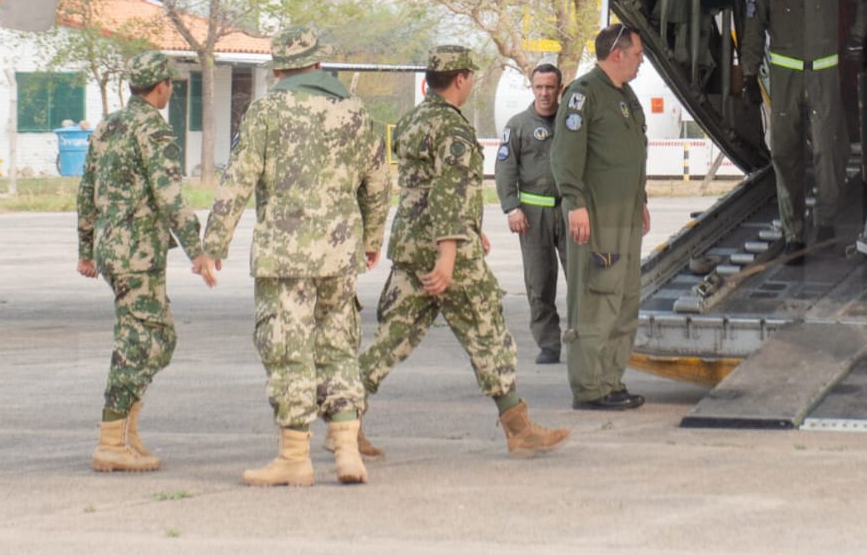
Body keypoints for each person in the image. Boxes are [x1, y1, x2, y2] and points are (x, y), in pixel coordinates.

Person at [357, 45, 568, 458]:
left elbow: (425, 188)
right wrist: (451, 251)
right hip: (445, 249)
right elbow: (448, 191)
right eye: (470, 75)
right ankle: (518, 427)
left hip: (412, 244)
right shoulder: (453, 131)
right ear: (460, 80)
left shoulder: (412, 121)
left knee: (391, 336)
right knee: (487, 331)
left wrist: (472, 229)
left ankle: (345, 422)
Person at [202, 25, 390, 487]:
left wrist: (213, 246)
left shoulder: (266, 110)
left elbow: (238, 180)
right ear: (319, 65)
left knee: (289, 352)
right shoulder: (356, 112)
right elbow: (380, 183)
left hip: (285, 257)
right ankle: (348, 451)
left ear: (281, 69)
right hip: (341, 254)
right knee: (339, 347)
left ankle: (294, 458)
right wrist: (371, 240)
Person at [76, 51, 218, 472]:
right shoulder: (154, 131)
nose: (171, 90)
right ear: (160, 87)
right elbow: (169, 196)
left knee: (158, 338)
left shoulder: (109, 125)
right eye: (170, 84)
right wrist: (198, 250)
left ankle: (125, 432)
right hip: (135, 253)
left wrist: (86, 249)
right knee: (138, 343)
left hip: (112, 248)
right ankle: (111, 441)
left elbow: (86, 190)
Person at [739, 0, 867, 254]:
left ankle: (827, 220)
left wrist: (857, 36)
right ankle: (794, 233)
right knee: (786, 153)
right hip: (785, 79)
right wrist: (748, 75)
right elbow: (754, 29)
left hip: (824, 76)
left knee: (830, 150)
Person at [552, 25, 650, 410]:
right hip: (596, 216)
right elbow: (565, 157)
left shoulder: (624, 95)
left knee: (624, 299)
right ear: (617, 54)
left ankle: (610, 380)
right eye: (638, 54)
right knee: (596, 300)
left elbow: (629, 154)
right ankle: (589, 388)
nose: (641, 61)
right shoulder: (583, 95)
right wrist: (574, 203)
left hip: (624, 215)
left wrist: (640, 200)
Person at [496, 62, 568, 364]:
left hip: (569, 212)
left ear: (559, 89)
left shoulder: (572, 123)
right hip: (533, 215)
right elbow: (504, 168)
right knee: (539, 282)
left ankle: (581, 340)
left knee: (580, 279)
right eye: (539, 87)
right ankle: (549, 343)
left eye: (550, 87)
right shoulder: (518, 125)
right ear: (532, 88)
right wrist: (512, 207)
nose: (544, 93)